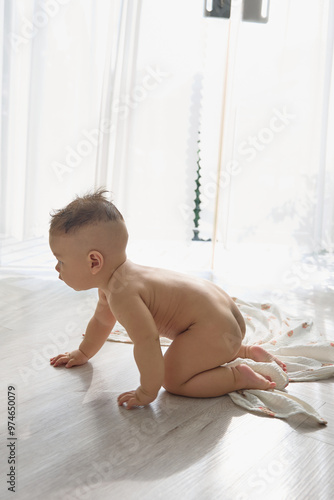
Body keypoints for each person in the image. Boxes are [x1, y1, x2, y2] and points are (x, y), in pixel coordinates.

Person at [49, 189, 287, 410]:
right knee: (203, 346)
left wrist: (147, 390)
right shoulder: (120, 280)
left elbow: (147, 342)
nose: (57, 268)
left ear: (94, 262)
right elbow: (101, 323)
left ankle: (237, 377)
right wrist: (82, 353)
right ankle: (243, 350)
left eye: (61, 261)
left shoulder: (124, 295)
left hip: (215, 329)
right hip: (226, 317)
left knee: (172, 379)